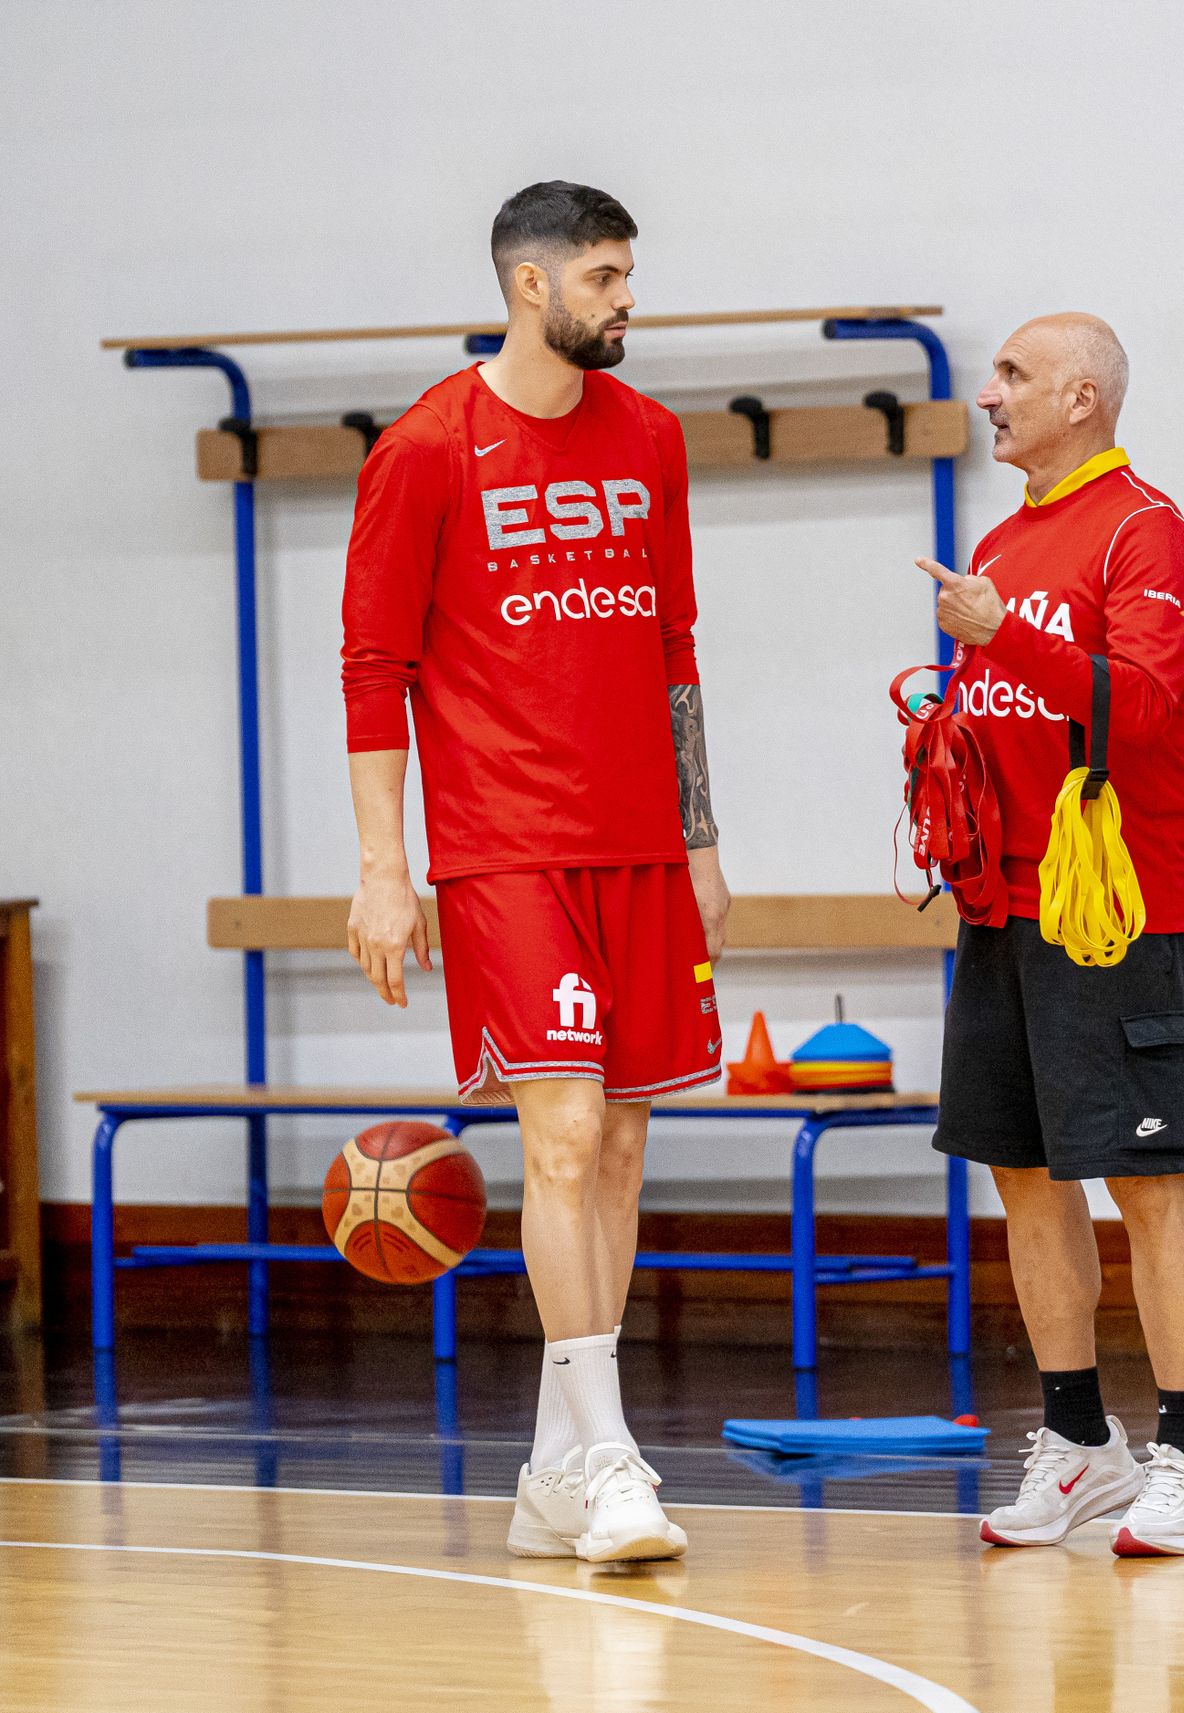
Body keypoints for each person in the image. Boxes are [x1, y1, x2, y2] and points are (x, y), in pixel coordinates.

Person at [340, 180, 729, 1564]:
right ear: (532, 286)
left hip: (641, 848)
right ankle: (610, 1456)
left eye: (630, 277)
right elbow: (373, 669)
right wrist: (387, 868)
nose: (631, 302)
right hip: (504, 849)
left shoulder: (655, 439)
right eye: (610, 279)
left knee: (620, 1144)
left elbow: (675, 648)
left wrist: (701, 838)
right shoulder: (432, 448)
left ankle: (561, 1463)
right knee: (559, 1137)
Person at [918, 314, 1184, 1557]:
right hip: (1004, 906)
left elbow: (1145, 711)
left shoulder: (1145, 530)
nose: (988, 396)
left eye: (1012, 377)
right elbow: (1016, 704)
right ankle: (1078, 1443)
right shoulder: (1004, 537)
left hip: (1115, 910)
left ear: (1080, 395)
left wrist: (1006, 639)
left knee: (1143, 1182)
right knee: (1023, 1174)